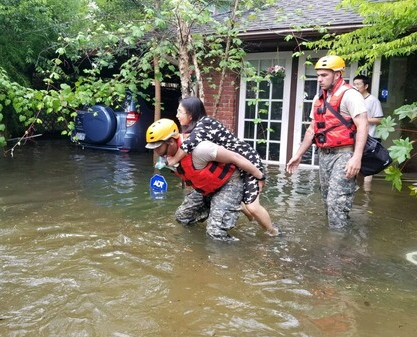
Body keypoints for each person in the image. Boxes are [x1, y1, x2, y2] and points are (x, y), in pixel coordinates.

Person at [165, 97, 279, 236]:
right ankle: (244, 211)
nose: (177, 115)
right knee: (247, 205)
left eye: (180, 111)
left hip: (248, 161)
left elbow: (188, 146)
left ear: (191, 114)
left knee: (253, 207)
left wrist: (260, 176)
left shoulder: (205, 123)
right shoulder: (196, 128)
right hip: (236, 163)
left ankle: (273, 232)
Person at [145, 118, 270, 241]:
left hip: (229, 183)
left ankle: (232, 253)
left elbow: (235, 157)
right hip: (207, 189)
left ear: (171, 141)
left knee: (215, 232)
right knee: (182, 217)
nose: (156, 152)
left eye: (158, 148)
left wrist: (260, 176)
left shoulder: (201, 149)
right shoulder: (169, 158)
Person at [286, 55, 369, 229]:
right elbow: (311, 130)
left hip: (344, 154)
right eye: (318, 75)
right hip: (324, 155)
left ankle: (338, 246)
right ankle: (337, 239)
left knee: (337, 201)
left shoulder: (350, 95)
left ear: (337, 75)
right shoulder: (319, 100)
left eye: (324, 75)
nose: (319, 79)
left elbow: (362, 126)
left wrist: (356, 157)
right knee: (326, 200)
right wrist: (298, 155)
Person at [353, 74, 384, 189]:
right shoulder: (354, 100)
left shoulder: (373, 101)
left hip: (370, 137)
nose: (355, 86)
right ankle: (357, 189)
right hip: (354, 137)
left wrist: (362, 120)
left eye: (358, 84)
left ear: (366, 86)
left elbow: (379, 119)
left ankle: (366, 192)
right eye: (354, 84)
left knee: (367, 165)